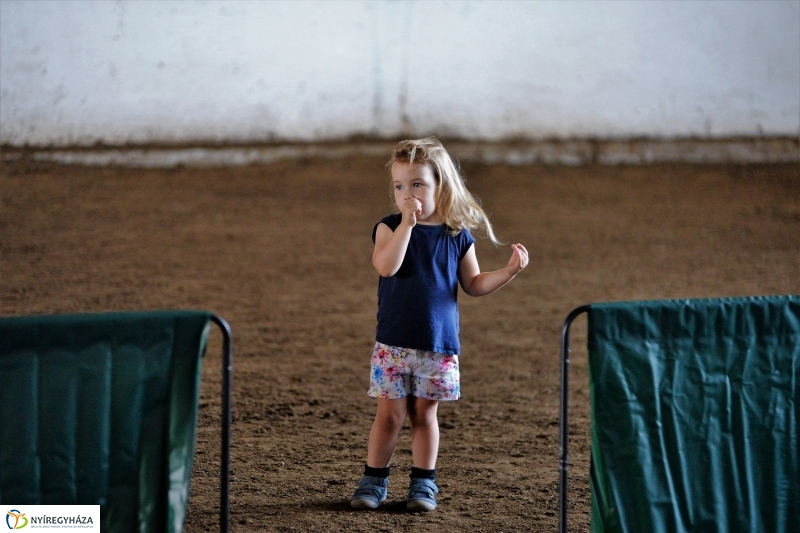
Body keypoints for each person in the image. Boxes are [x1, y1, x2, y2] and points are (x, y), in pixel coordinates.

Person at [350, 137, 529, 512]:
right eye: (399, 186)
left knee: (425, 415)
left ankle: (422, 484)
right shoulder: (388, 229)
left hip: (439, 346)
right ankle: (373, 480)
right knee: (390, 415)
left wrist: (509, 271)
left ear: (440, 187)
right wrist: (407, 227)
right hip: (393, 344)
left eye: (417, 185)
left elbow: (474, 284)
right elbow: (387, 266)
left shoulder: (457, 236)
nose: (407, 194)